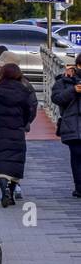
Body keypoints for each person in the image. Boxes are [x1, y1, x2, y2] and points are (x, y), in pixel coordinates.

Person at [0, 62, 37, 207]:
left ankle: (3, 190)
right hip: (16, 130)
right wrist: (24, 123)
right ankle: (11, 193)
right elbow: (29, 110)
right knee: (15, 163)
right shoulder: (23, 90)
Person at [50, 55, 81, 200]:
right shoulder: (64, 81)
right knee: (77, 155)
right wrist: (73, 90)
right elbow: (56, 99)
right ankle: (79, 187)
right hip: (72, 124)